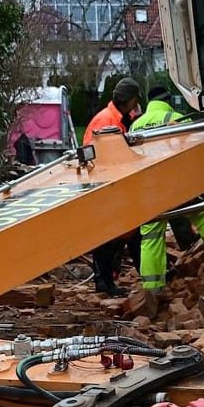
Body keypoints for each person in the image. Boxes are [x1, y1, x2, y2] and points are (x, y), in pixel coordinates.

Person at [129, 92, 204, 291]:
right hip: (177, 184)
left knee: (150, 236)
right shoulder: (175, 118)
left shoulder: (135, 125)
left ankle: (152, 288)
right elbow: (195, 149)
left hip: (149, 188)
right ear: (168, 101)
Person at [83, 79, 144, 295]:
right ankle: (104, 282)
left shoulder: (113, 118)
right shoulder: (107, 122)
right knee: (110, 237)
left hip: (106, 183)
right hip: (105, 185)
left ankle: (113, 280)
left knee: (130, 233)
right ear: (130, 100)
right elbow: (109, 158)